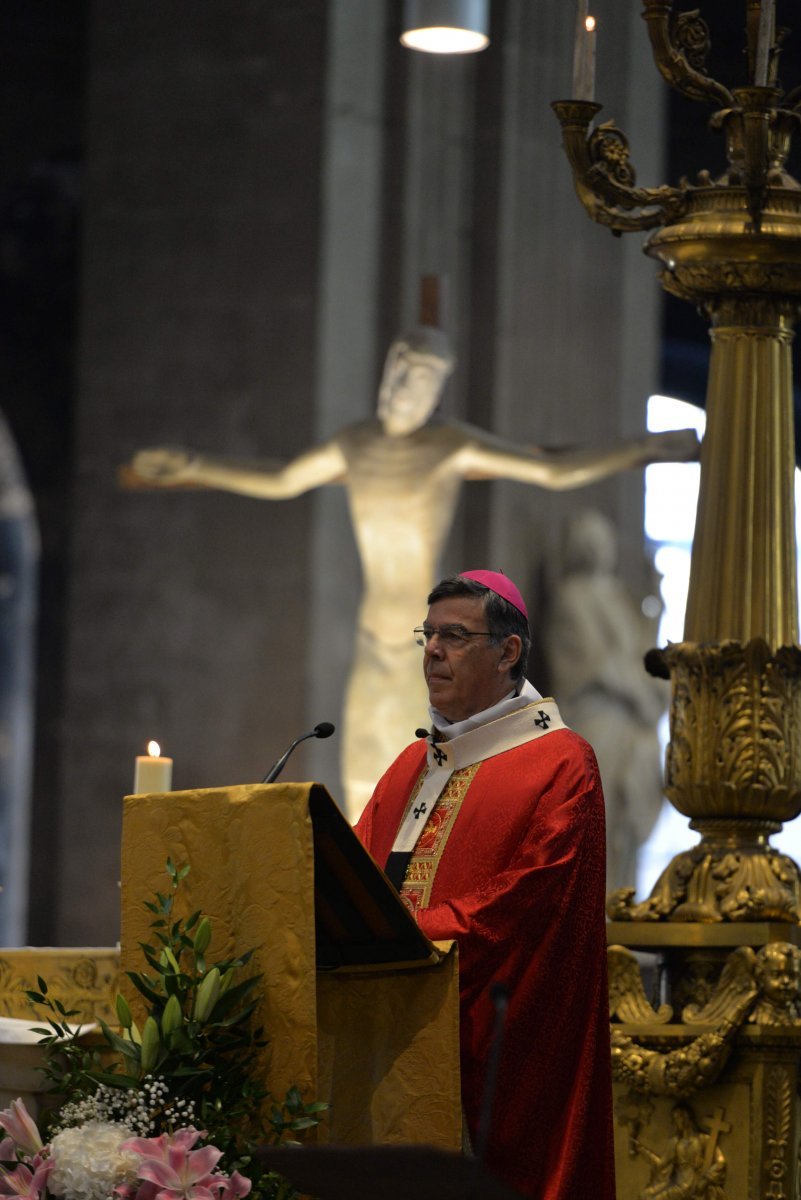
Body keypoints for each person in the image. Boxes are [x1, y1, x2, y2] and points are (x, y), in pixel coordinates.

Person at [128, 325, 699, 822]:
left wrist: (642, 449)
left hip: (425, 641)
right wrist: (197, 464)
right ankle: (365, 903)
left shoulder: (447, 444)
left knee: (413, 770)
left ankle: (401, 900)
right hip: (371, 636)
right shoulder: (357, 443)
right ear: (388, 375)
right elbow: (281, 479)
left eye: (428, 381)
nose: (412, 391)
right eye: (406, 376)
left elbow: (549, 471)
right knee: (359, 769)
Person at [353, 569, 614, 1200]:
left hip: (493, 1050)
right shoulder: (413, 765)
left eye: (455, 636)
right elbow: (350, 870)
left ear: (508, 651)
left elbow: (529, 904)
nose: (433, 651)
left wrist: (400, 936)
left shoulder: (561, 761)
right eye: (428, 635)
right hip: (380, 1037)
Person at [545, 509, 668, 891]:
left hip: (629, 722)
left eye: (603, 540)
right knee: (598, 815)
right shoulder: (572, 596)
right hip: (597, 719)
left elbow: (638, 651)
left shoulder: (616, 596)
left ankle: (620, 901)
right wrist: (637, 693)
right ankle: (595, 909)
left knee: (624, 822)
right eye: (591, 540)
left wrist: (655, 613)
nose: (599, 549)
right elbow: (593, 663)